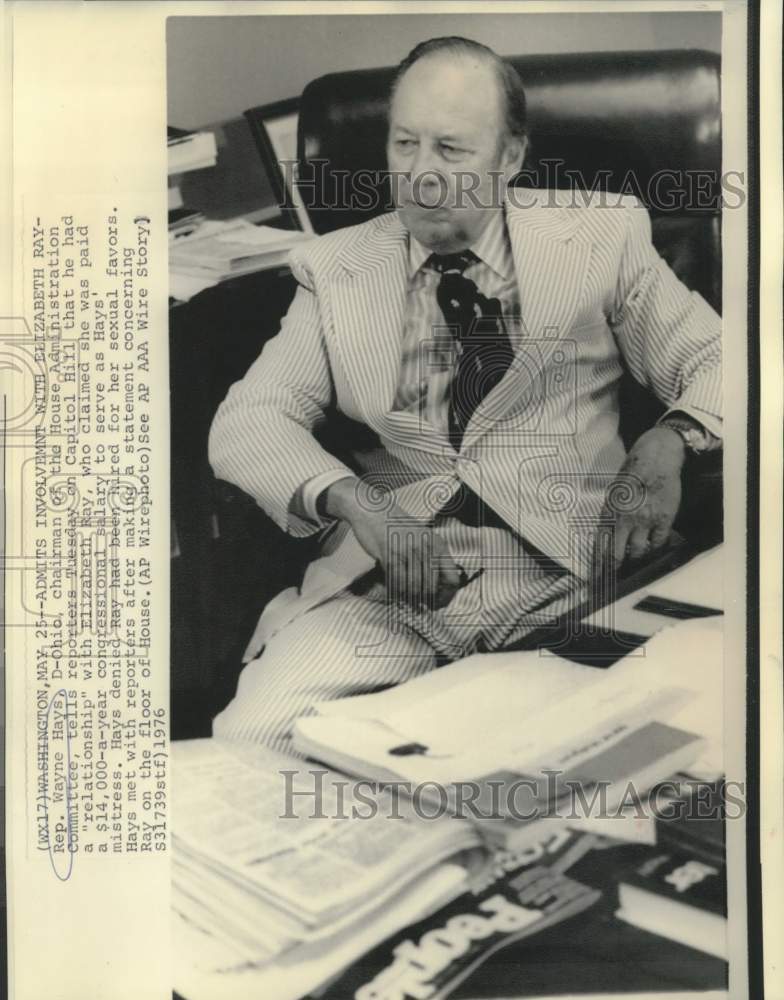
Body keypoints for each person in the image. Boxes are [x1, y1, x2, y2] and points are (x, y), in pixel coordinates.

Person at [208, 37, 722, 754]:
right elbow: (251, 418)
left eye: (450, 150)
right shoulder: (335, 268)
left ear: (509, 157)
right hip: (392, 590)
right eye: (405, 144)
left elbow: (720, 358)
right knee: (244, 744)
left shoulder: (601, 234)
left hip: (571, 572)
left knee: (611, 756)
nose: (421, 176)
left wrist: (669, 440)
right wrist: (360, 505)